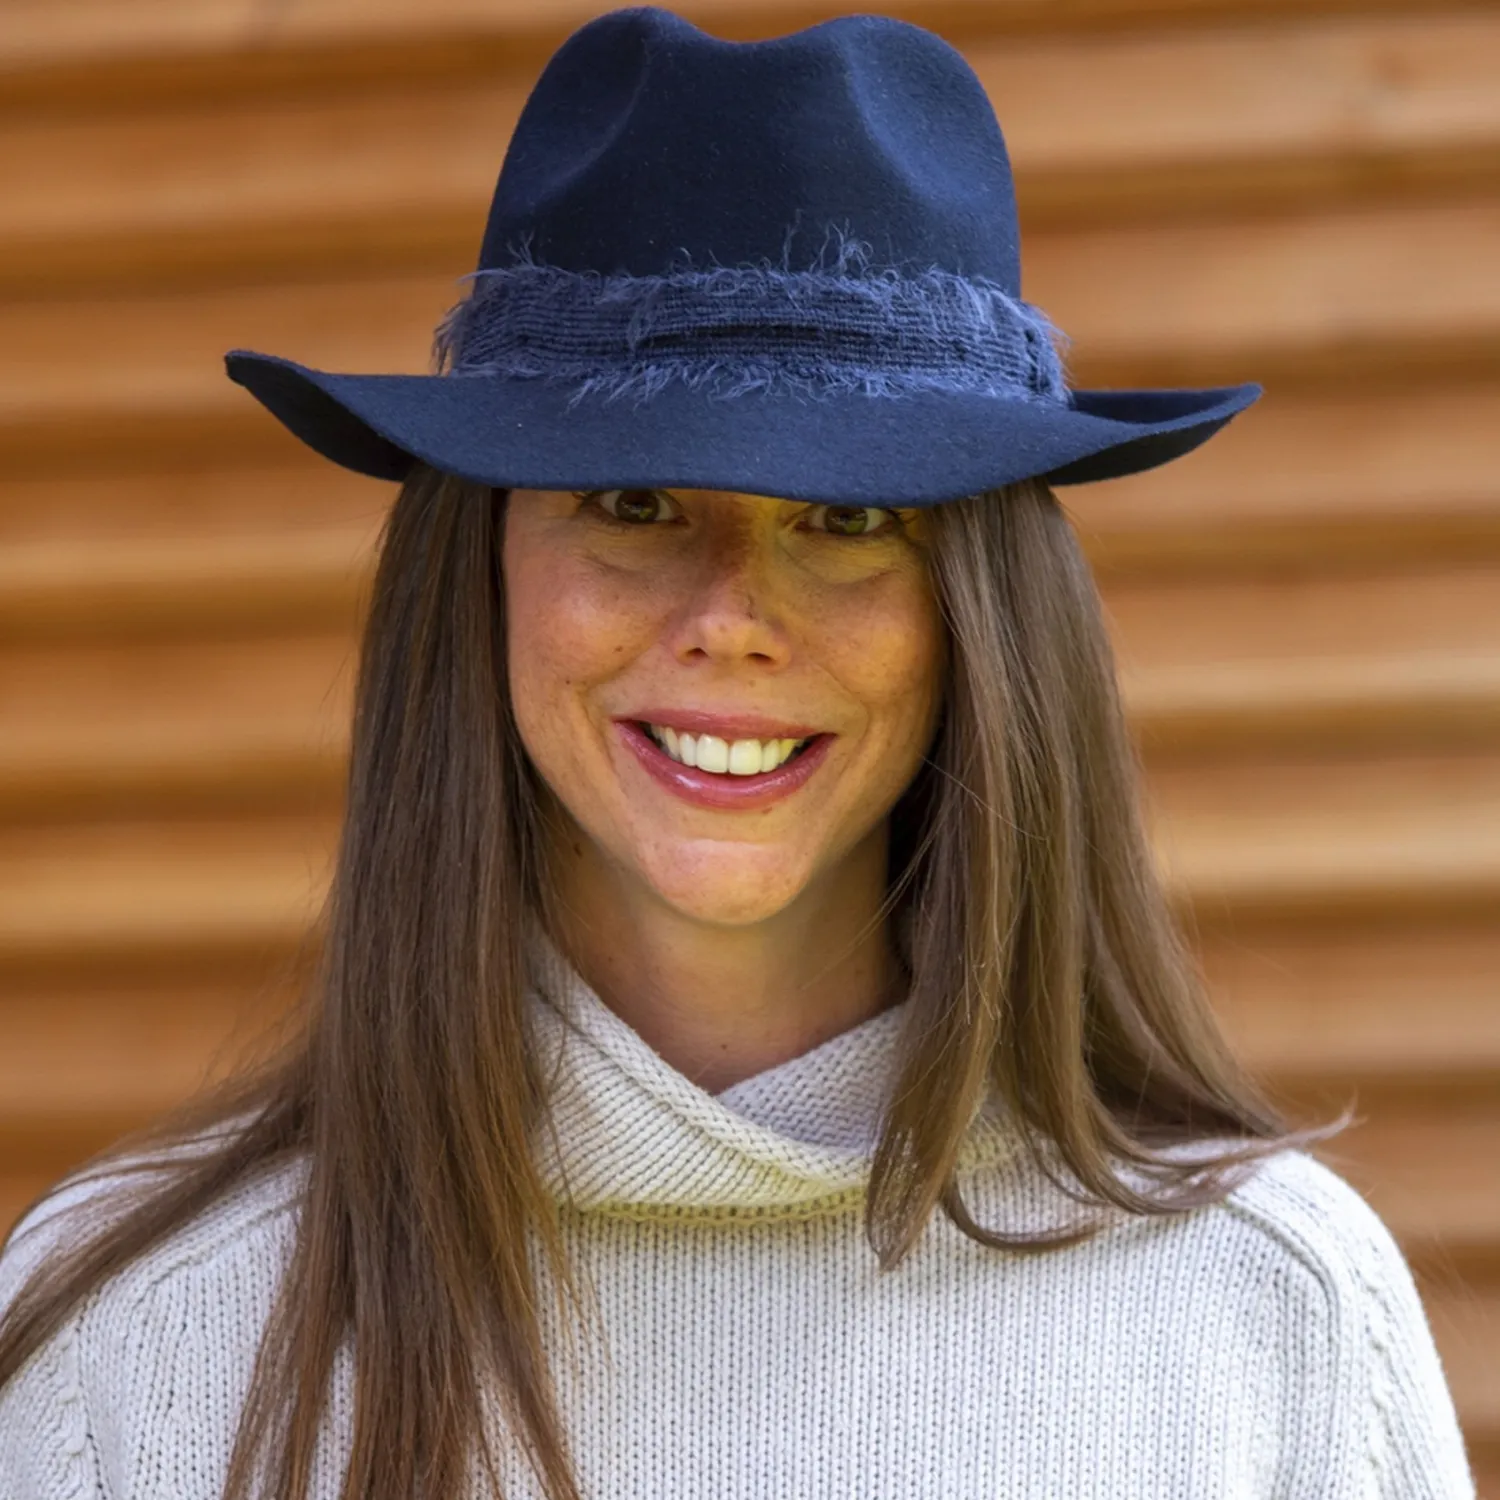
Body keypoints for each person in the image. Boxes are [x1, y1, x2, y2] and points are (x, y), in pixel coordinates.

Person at [0, 8, 1477, 1499]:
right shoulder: (133, 1343)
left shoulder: (1272, 1315)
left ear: (987, 623)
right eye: (634, 502)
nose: (733, 621)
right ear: (477, 572)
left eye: (849, 520)